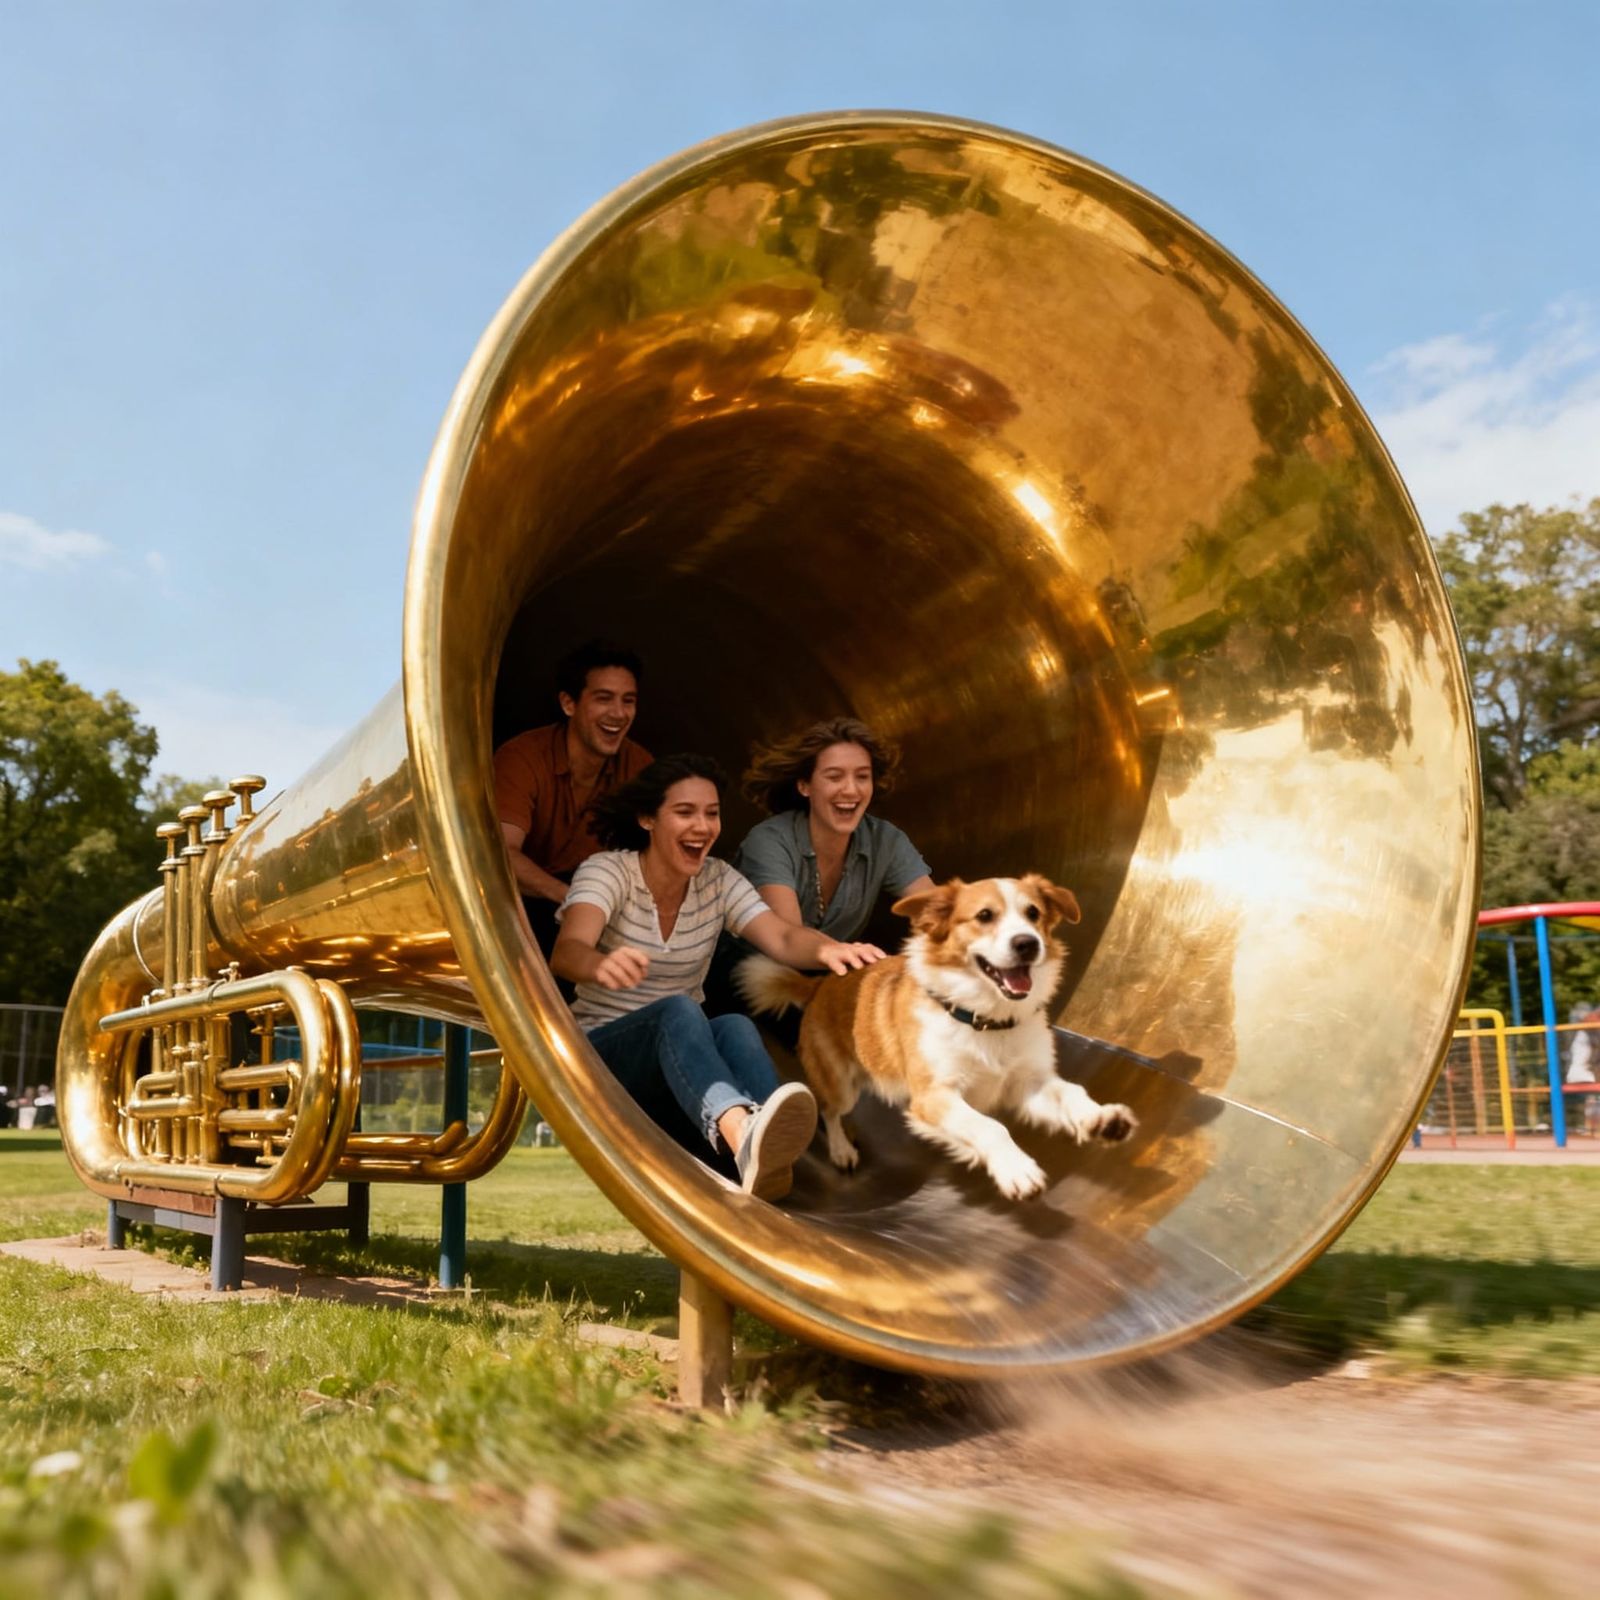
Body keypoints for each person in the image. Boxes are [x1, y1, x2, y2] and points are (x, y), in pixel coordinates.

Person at [549, 753, 884, 1200]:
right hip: (600, 1060)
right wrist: (598, 964)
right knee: (678, 1011)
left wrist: (830, 950)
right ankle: (744, 1134)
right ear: (648, 819)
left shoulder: (718, 881)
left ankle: (774, 1152)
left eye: (712, 813)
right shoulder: (609, 871)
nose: (703, 826)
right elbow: (567, 951)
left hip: (677, 1065)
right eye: (685, 812)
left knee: (734, 1026)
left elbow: (782, 937)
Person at [707, 718, 934, 1028]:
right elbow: (786, 937)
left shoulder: (886, 840)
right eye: (834, 776)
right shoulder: (769, 840)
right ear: (805, 786)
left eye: (862, 777)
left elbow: (937, 910)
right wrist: (835, 950)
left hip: (818, 976)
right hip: (739, 974)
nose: (851, 789)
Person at [494, 639, 652, 955]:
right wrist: (574, 898)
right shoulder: (522, 757)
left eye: (628, 701)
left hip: (592, 906)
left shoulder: (639, 766)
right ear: (569, 704)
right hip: (514, 908)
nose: (619, 713)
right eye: (604, 698)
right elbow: (500, 856)